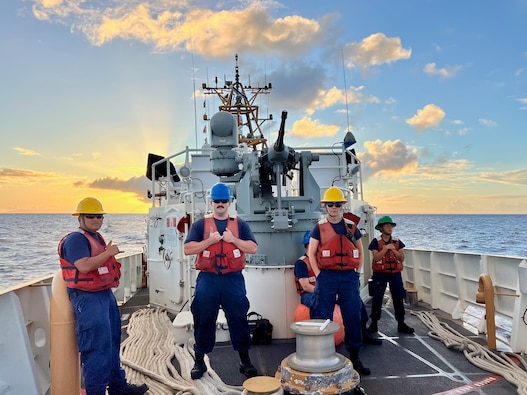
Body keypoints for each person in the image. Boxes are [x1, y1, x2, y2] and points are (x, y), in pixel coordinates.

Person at [58, 197, 148, 395]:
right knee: (96, 348)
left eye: (99, 216)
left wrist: (106, 252)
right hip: (87, 299)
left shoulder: (95, 238)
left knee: (112, 342)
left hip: (104, 295)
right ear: (80, 218)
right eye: (91, 216)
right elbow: (84, 265)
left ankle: (118, 387)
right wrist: (109, 253)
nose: (96, 220)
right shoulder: (76, 240)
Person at [184, 182, 258, 380]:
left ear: (229, 202)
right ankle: (199, 360)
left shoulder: (240, 224)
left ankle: (245, 360)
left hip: (232, 279)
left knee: (238, 318)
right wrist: (209, 241)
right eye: (216, 201)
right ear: (211, 202)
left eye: (224, 201)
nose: (220, 204)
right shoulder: (200, 225)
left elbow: (252, 248)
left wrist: (233, 240)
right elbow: (188, 249)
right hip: (208, 279)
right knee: (203, 318)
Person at [307, 186, 371, 376]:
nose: (333, 208)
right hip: (326, 277)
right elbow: (311, 253)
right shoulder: (318, 228)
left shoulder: (351, 227)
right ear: (325, 207)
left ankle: (355, 356)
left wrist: (357, 273)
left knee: (352, 315)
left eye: (337, 204)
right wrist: (319, 275)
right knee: (322, 315)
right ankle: (322, 357)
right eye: (330, 204)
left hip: (348, 277)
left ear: (342, 206)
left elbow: (360, 251)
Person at [295, 230, 381, 346]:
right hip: (310, 293)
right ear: (307, 245)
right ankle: (318, 340)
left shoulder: (324, 262)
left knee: (356, 301)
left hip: (328, 291)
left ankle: (363, 332)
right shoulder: (301, 263)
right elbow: (305, 286)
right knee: (317, 304)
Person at [367, 216, 414, 335]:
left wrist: (393, 250)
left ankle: (401, 323)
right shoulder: (375, 242)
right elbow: (376, 257)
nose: (390, 228)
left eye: (391, 226)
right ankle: (374, 324)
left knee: (398, 297)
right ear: (381, 228)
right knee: (377, 298)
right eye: (387, 226)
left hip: (395, 274)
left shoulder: (397, 241)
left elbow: (401, 258)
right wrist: (385, 249)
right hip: (380, 274)